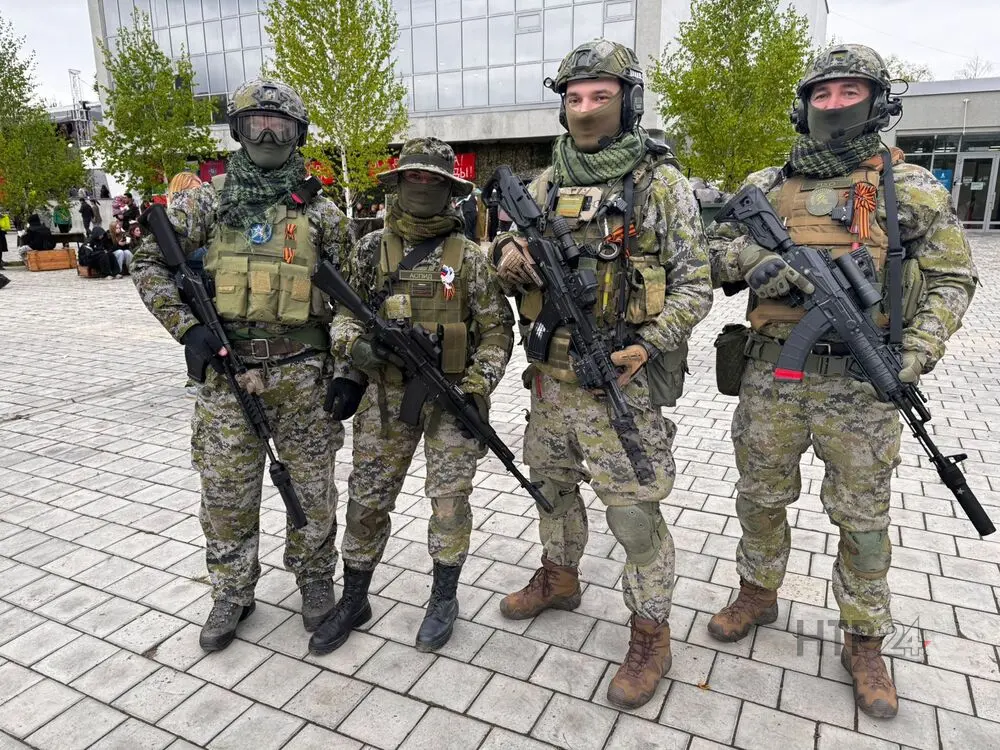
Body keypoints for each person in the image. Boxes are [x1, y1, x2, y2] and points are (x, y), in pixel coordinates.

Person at [704, 44, 978, 720]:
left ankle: (864, 638)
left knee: (862, 519)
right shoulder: (769, 183)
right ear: (805, 106)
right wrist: (755, 260)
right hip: (773, 375)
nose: (834, 104)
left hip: (861, 385)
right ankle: (756, 593)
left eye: (849, 91)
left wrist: (918, 351)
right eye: (822, 94)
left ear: (877, 102)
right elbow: (709, 255)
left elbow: (954, 277)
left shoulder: (907, 186)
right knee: (760, 497)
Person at [489, 39, 712, 710]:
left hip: (620, 382)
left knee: (635, 518)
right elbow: (499, 245)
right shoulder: (543, 184)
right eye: (574, 97)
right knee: (552, 490)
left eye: (601, 96)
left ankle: (651, 633)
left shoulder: (660, 185)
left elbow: (695, 285)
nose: (585, 108)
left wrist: (648, 345)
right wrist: (505, 255)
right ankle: (559, 578)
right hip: (549, 382)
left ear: (628, 101)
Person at [131, 79, 353, 652]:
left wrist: (348, 369)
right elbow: (148, 263)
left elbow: (354, 300)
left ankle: (314, 580)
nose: (269, 134)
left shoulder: (322, 212)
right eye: (257, 123)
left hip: (303, 376)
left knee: (313, 492)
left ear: (299, 134)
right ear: (238, 130)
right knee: (226, 493)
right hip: (228, 378)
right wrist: (188, 329)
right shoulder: (206, 202)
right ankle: (232, 591)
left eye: (281, 125)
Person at [309, 137, 514, 656]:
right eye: (413, 177)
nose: (422, 186)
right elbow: (345, 313)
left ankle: (443, 599)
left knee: (449, 503)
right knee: (367, 500)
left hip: (450, 397)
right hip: (383, 400)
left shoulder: (469, 259)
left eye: (433, 180)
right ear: (398, 183)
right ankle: (354, 597)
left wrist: (477, 385)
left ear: (449, 189)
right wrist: (355, 350)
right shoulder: (369, 249)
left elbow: (496, 331)